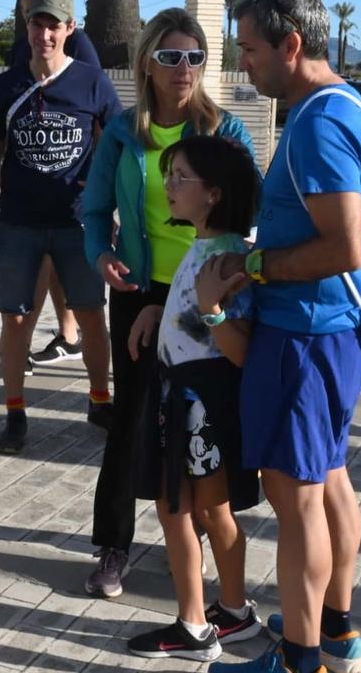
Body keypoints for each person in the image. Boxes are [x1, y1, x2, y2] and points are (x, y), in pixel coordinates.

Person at [209, 0, 361, 673]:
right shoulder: (349, 108)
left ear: (291, 44)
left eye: (251, 49)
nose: (243, 63)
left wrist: (253, 266)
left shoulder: (317, 123)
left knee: (298, 505)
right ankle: (336, 635)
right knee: (331, 484)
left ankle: (301, 659)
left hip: (303, 340)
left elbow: (345, 246)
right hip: (331, 338)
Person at [81, 7, 256, 598]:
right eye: (171, 56)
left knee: (200, 417)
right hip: (140, 292)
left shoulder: (226, 132)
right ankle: (113, 546)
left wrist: (230, 284)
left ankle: (197, 545)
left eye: (196, 57)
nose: (184, 68)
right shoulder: (125, 133)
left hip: (207, 292)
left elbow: (250, 211)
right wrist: (99, 255)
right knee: (130, 420)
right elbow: (92, 210)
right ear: (147, 64)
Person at [125, 137, 263, 662]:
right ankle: (230, 611)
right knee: (201, 509)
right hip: (183, 396)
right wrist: (161, 313)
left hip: (201, 403)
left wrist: (210, 310)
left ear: (214, 194)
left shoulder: (231, 260)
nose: (169, 187)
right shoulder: (209, 247)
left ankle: (195, 625)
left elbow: (238, 348)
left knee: (183, 508)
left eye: (180, 177)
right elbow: (195, 317)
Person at [0, 0, 121, 454]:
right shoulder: (7, 84)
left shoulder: (92, 82)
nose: (45, 33)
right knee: (16, 321)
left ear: (69, 29)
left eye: (54, 25)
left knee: (92, 315)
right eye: (37, 24)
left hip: (76, 225)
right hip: (18, 222)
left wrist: (105, 201)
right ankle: (15, 412)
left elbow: (117, 144)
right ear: (28, 27)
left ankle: (100, 400)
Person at [9, 0, 100, 373]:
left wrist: (96, 182)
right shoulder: (19, 49)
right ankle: (63, 337)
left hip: (72, 204)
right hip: (27, 205)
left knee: (58, 277)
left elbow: (101, 117)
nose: (33, 3)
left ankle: (69, 338)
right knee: (40, 279)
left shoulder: (80, 49)